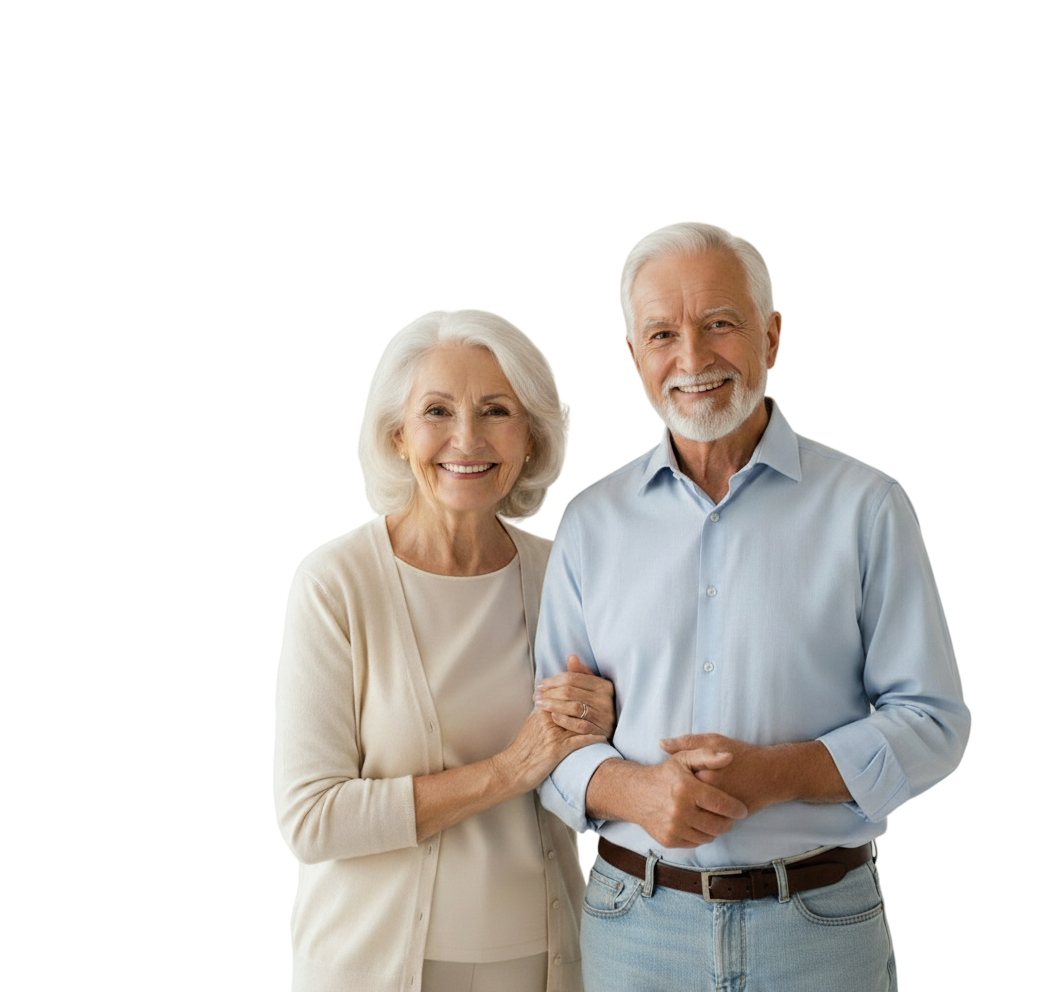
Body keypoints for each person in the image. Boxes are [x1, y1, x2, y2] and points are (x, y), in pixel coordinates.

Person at [534, 221, 970, 992]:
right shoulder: (589, 522)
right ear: (634, 355)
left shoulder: (869, 506)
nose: (693, 360)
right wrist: (631, 789)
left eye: (720, 325)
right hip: (633, 929)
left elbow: (936, 723)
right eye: (663, 333)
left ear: (771, 336)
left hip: (820, 931)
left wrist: (779, 773)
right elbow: (552, 746)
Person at [273, 309, 615, 992]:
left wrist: (606, 728)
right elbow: (310, 818)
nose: (467, 438)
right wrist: (508, 770)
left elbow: (600, 780)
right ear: (398, 435)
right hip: (368, 967)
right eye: (438, 410)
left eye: (495, 411)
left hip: (544, 963)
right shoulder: (335, 581)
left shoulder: (568, 574)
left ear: (531, 437)